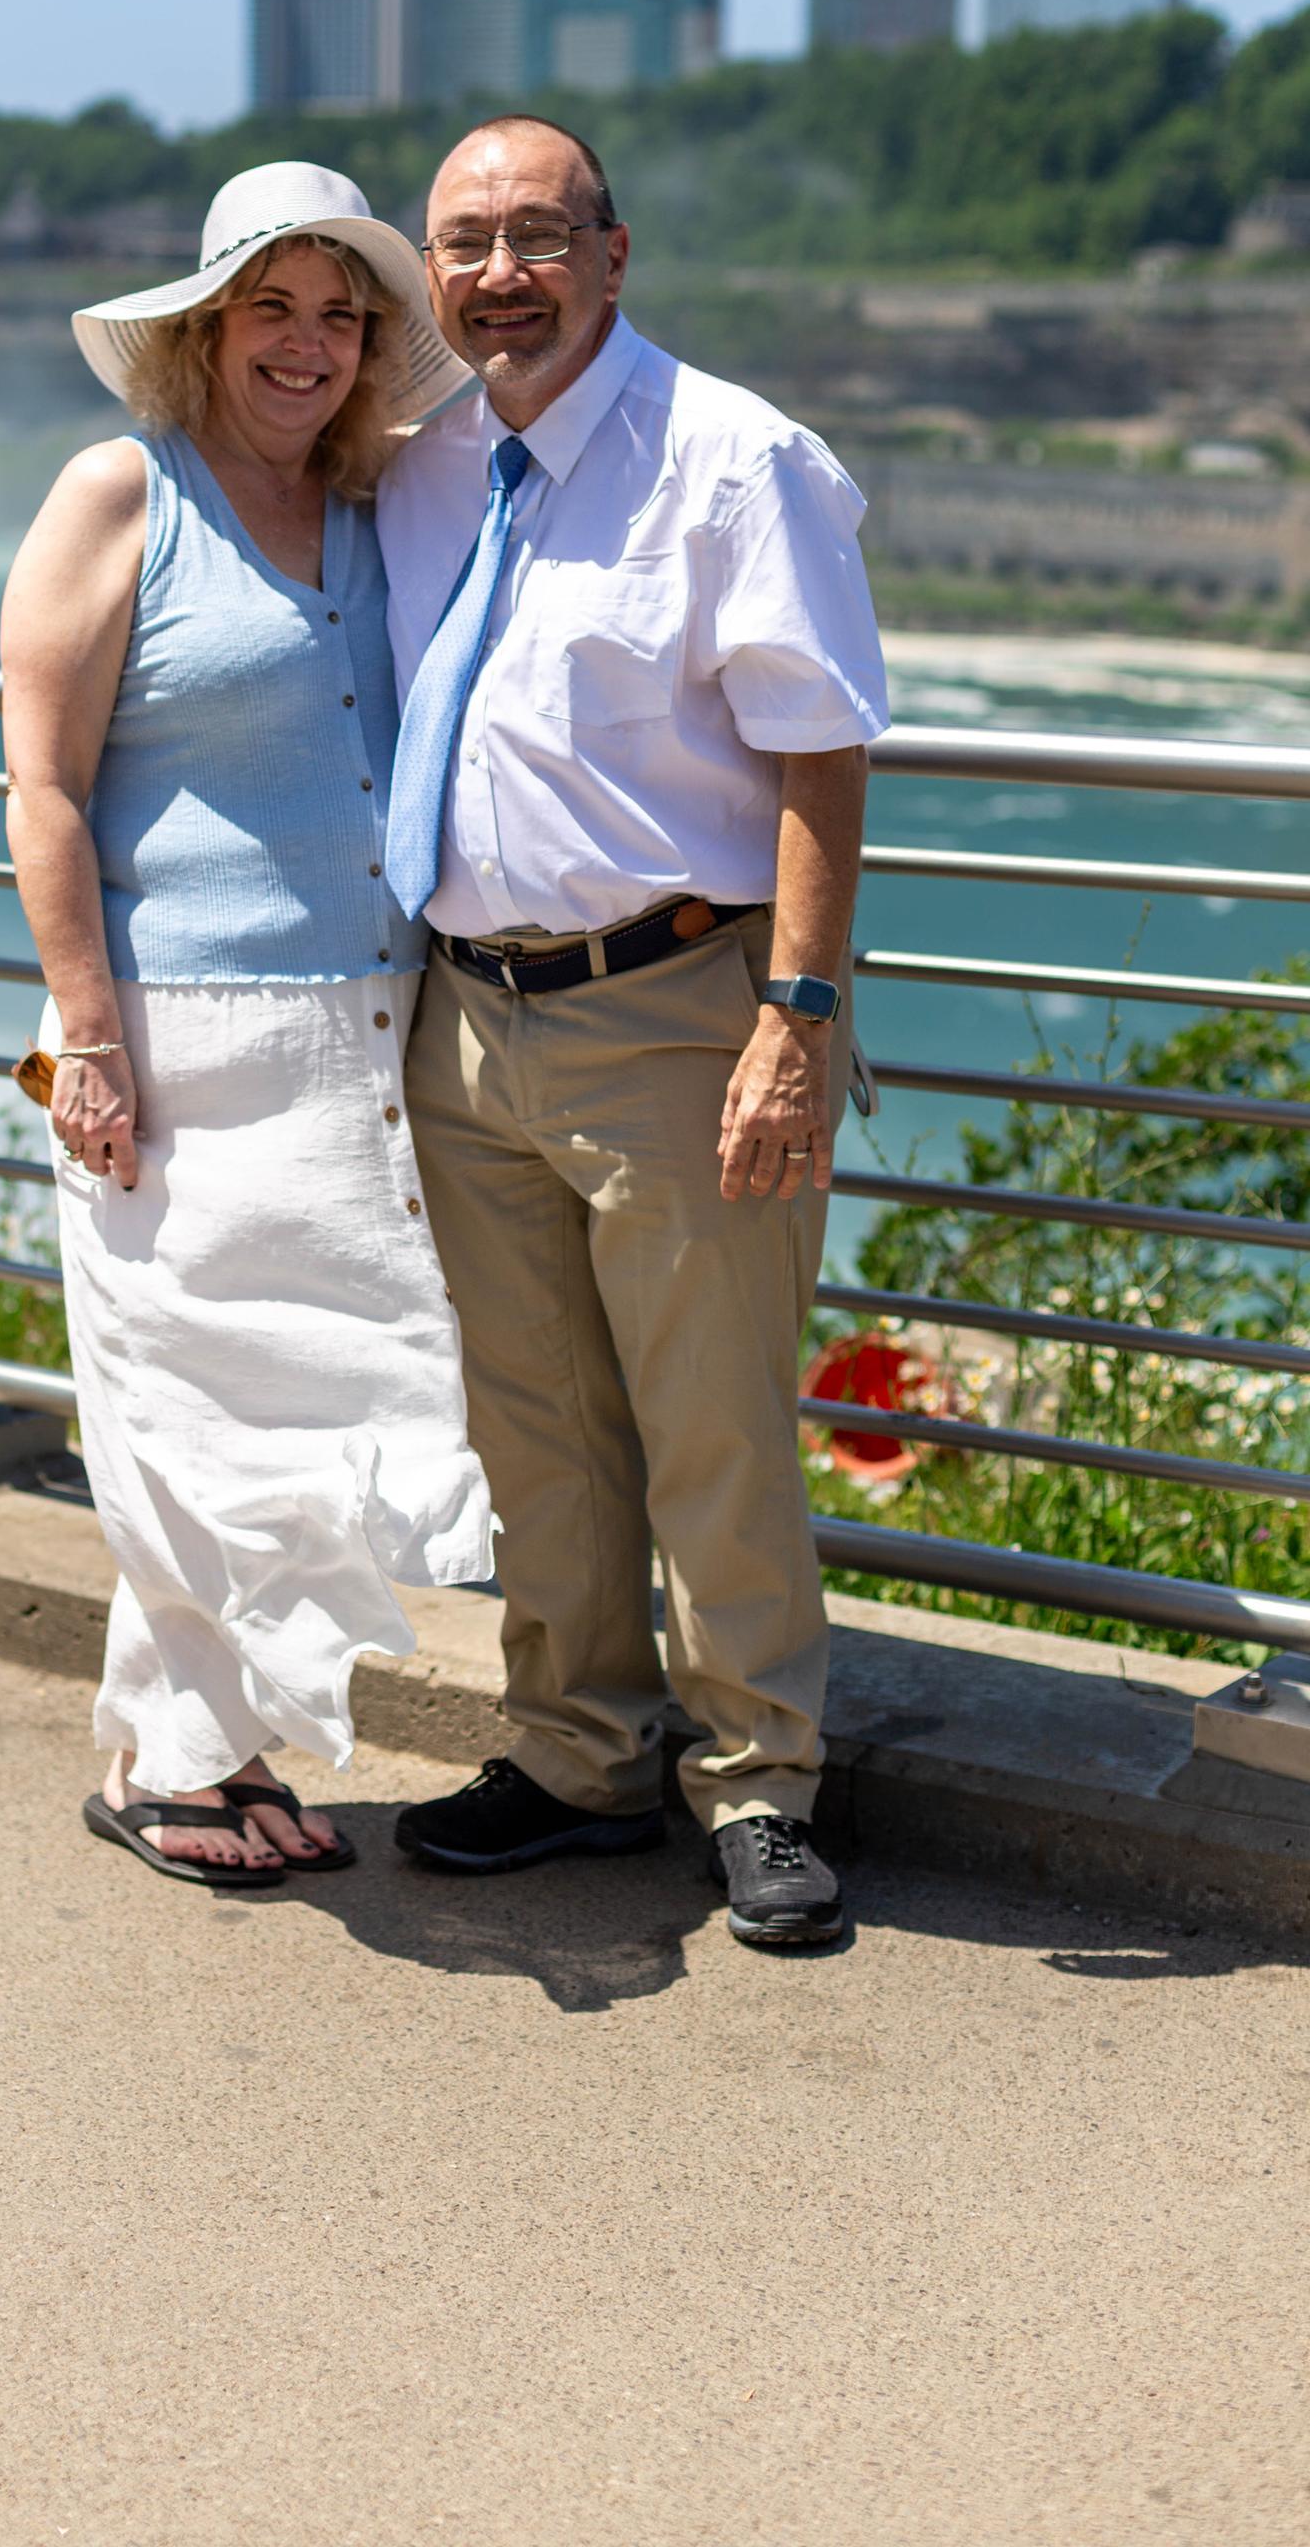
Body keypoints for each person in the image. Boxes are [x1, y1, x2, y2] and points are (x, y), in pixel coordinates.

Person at [377, 114, 888, 1949]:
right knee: (539, 1423)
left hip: (679, 1001)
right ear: (427, 277)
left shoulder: (734, 461)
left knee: (713, 1419)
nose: (497, 273)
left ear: (613, 252)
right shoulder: (426, 459)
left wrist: (795, 1020)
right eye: (462, 243)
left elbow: (822, 750)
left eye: (535, 234)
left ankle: (759, 1779)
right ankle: (581, 1755)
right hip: (469, 1011)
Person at [0, 161, 494, 1890]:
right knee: (179, 1413)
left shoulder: (372, 509)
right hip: (171, 1036)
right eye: (272, 309)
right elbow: (44, 792)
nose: (308, 343)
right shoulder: (120, 492)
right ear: (211, 325)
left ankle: (198, 1745)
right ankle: (181, 1761)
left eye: (340, 315)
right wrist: (89, 1036)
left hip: (366, 1040)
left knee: (312, 1415)